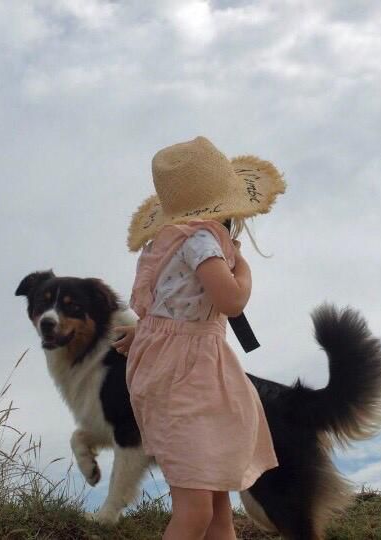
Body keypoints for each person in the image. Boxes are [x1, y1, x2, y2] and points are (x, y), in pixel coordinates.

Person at [113, 136, 286, 540]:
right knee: (195, 512)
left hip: (176, 371)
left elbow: (172, 305)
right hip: (188, 379)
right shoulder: (203, 241)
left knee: (216, 508)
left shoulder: (167, 243)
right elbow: (230, 300)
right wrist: (242, 269)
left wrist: (143, 333)